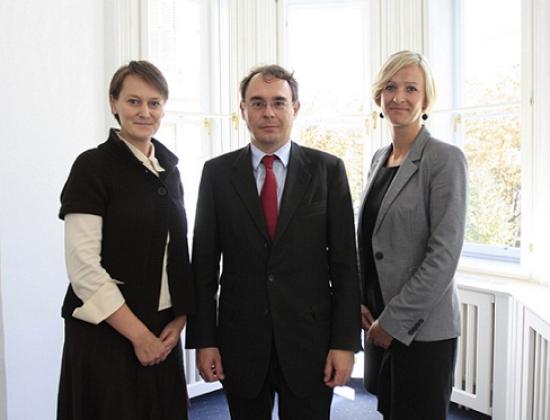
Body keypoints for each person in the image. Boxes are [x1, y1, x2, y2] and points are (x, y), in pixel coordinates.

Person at [186, 64, 361, 420]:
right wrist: (205, 341)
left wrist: (345, 344)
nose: (268, 112)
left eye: (278, 102)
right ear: (243, 110)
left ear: (295, 108)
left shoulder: (328, 170)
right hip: (240, 344)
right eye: (257, 102)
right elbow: (203, 265)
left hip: (310, 344)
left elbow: (345, 265)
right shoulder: (217, 174)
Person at [56, 61, 194, 420]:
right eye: (134, 101)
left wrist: (180, 318)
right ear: (113, 103)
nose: (145, 112)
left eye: (154, 103)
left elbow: (176, 252)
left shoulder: (169, 170)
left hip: (162, 331)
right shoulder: (91, 167)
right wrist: (139, 337)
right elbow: (83, 268)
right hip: (108, 333)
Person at [359, 50, 467, 419]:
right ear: (379, 95)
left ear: (426, 99)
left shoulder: (445, 159)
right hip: (377, 322)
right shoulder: (379, 159)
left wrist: (393, 321)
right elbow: (368, 240)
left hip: (421, 330)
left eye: (410, 88)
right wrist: (361, 300)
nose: (398, 97)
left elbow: (444, 255)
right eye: (390, 87)